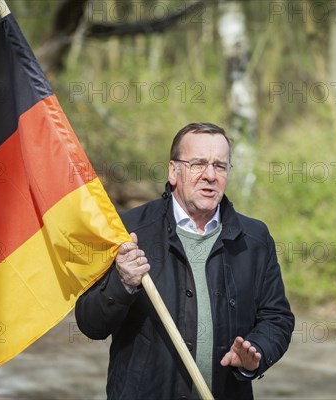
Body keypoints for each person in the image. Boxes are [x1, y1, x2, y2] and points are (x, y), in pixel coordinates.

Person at [75, 122, 294, 399]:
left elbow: (277, 318)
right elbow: (90, 322)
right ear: (173, 171)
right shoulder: (128, 232)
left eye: (220, 166)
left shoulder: (253, 239)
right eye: (198, 164)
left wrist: (256, 351)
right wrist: (123, 283)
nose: (210, 175)